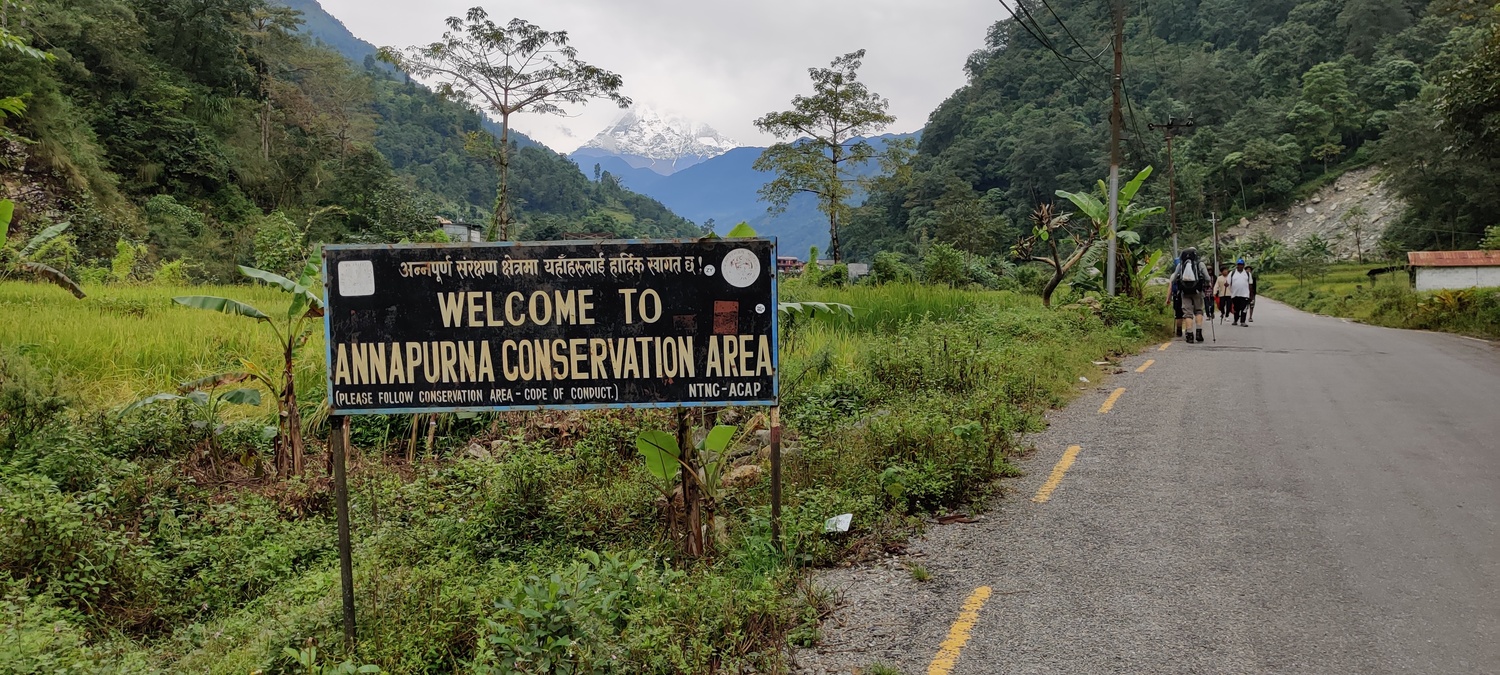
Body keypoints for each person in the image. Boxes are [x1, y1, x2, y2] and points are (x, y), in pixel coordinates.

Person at [1170, 247, 1210, 343]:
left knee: (1188, 314)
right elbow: (1207, 278)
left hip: (1184, 292)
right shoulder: (1200, 264)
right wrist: (1206, 285)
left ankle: (1190, 335)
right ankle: (1199, 333)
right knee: (1199, 311)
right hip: (1197, 291)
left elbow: (1173, 279)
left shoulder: (1180, 265)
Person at [1229, 259, 1253, 326]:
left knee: (1244, 308)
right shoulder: (1232, 273)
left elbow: (1250, 284)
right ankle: (1235, 320)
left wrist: (1251, 295)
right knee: (1236, 308)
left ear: (1243, 266)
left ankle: (1243, 321)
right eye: (1239, 265)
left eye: (1241, 265)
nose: (1240, 266)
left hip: (1245, 294)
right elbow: (1228, 283)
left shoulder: (1247, 274)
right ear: (1237, 265)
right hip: (1235, 294)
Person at [1168, 258, 1185, 337]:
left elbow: (1170, 288)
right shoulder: (1188, 274)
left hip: (1177, 297)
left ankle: (1179, 330)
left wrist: (1168, 299)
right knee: (1188, 314)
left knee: (1178, 315)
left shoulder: (1173, 275)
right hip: (1186, 296)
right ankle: (1189, 331)